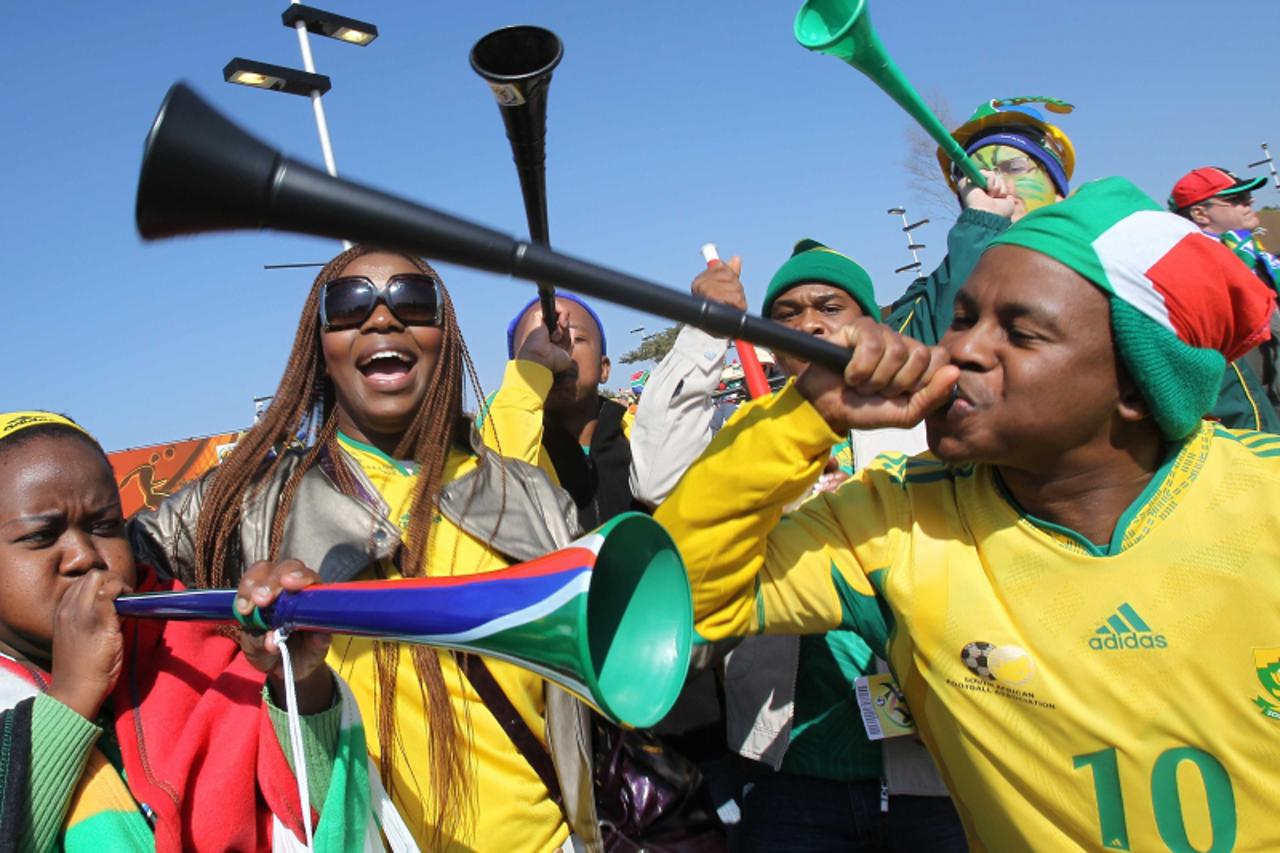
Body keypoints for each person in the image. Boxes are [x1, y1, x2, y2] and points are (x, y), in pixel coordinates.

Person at [655, 177, 1280, 851]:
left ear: (1134, 381)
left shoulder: (1263, 493)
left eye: (1020, 331)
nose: (962, 351)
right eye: (962, 318)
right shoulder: (892, 521)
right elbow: (676, 594)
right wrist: (804, 418)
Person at [130, 248, 601, 852]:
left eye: (412, 300)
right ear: (319, 348)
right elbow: (92, 565)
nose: (382, 318)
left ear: (444, 335)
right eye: (350, 305)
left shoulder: (530, 496)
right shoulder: (250, 504)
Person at [632, 243, 964, 851]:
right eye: (784, 314)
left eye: (829, 306)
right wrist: (709, 332)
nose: (808, 323)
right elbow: (654, 477)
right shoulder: (751, 429)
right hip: (788, 769)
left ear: (872, 324)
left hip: (936, 768)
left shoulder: (919, 422)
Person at [0, 411, 377, 852]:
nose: (84, 556)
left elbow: (319, 821)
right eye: (41, 537)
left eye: (104, 526)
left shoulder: (205, 651)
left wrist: (298, 684)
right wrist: (73, 695)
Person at [889, 98, 1277, 432]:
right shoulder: (940, 282)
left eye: (1013, 168)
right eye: (971, 176)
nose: (990, 183)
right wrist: (979, 232)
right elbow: (907, 370)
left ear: (1058, 190)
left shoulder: (1131, 258)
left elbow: (1236, 408)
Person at [489, 294, 642, 529]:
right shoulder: (490, 445)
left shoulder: (643, 439)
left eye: (577, 339)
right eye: (535, 344)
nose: (557, 351)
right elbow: (495, 502)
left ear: (604, 368)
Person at [1170, 166, 1280, 415]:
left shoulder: (1253, 251)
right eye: (1235, 199)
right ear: (1200, 213)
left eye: (1247, 196)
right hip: (1251, 402)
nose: (1248, 202)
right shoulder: (1191, 260)